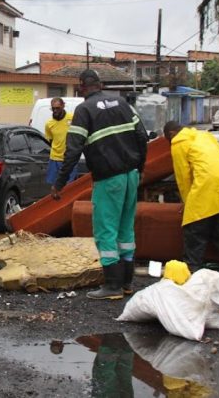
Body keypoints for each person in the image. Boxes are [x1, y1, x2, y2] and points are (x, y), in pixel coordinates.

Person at [51, 70, 148, 300]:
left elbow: (73, 150)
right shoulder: (123, 104)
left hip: (108, 179)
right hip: (131, 175)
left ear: (81, 87)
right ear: (101, 84)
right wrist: (141, 169)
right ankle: (126, 283)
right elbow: (142, 136)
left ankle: (112, 286)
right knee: (125, 230)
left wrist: (60, 182)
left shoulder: (84, 111)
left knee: (106, 231)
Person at [163, 121, 219, 272]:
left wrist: (188, 202)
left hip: (204, 185)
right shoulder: (205, 136)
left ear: (171, 134)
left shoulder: (178, 143)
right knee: (217, 225)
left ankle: (192, 266)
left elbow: (183, 176)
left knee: (194, 228)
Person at [44, 97, 78, 185]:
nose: (55, 111)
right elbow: (50, 140)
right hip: (54, 159)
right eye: (53, 108)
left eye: (57, 108)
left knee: (69, 187)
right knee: (54, 186)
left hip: (69, 159)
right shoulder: (49, 124)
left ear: (63, 106)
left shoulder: (72, 118)